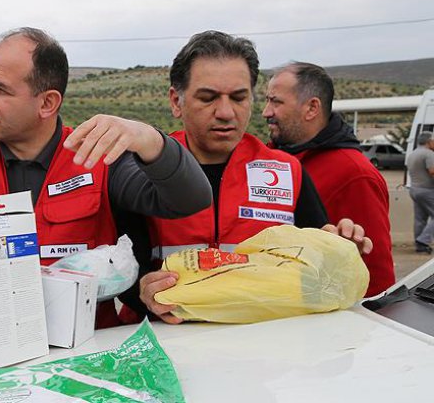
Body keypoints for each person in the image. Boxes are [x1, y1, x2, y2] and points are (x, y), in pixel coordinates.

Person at [0, 27, 212, 328]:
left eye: (1, 89)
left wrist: (149, 139)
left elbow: (191, 198)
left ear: (47, 103)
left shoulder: (100, 162)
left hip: (88, 357)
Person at [131, 31, 372, 325]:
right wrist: (142, 292)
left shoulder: (287, 171)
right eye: (208, 98)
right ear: (176, 101)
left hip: (270, 345)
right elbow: (123, 272)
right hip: (173, 343)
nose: (225, 112)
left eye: (239, 97)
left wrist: (341, 247)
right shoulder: (145, 170)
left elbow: (318, 269)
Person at [264, 62, 395, 296]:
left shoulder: (354, 173)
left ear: (312, 108)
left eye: (276, 102)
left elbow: (376, 278)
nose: (266, 112)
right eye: (267, 101)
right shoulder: (272, 160)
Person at [406, 131, 434, 254]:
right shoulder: (429, 154)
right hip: (427, 190)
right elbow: (432, 171)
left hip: (414, 189)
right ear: (429, 141)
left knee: (420, 218)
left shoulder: (412, 154)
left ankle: (419, 245)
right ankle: (423, 240)